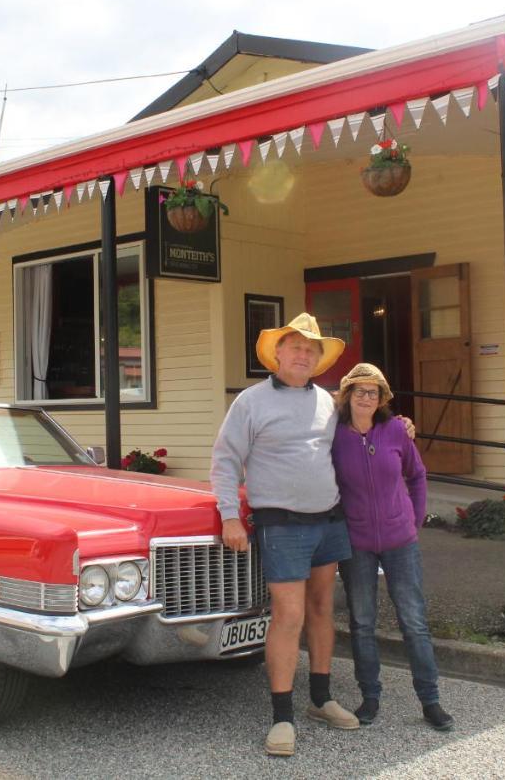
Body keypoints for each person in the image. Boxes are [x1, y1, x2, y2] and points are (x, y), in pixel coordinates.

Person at [210, 313, 360, 757]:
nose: (302, 354)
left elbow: (365, 429)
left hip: (328, 520)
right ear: (278, 353)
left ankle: (320, 698)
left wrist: (401, 426)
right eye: (295, 346)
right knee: (288, 615)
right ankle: (282, 717)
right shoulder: (251, 401)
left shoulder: (328, 403)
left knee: (321, 609)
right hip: (281, 524)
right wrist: (228, 516)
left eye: (311, 350)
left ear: (318, 359)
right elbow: (224, 460)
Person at [332, 362, 454, 732]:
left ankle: (430, 700)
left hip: (401, 541)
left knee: (414, 622)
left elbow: (417, 476)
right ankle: (369, 697)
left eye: (373, 392)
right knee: (362, 622)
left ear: (381, 398)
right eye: (359, 391)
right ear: (347, 396)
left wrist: (413, 521)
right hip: (357, 544)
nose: (366, 398)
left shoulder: (397, 431)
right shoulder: (334, 437)